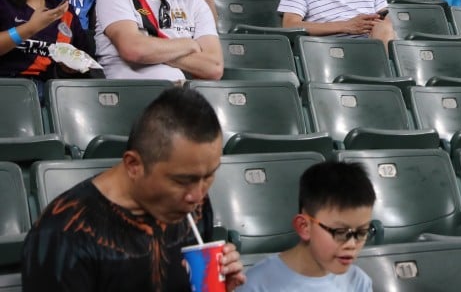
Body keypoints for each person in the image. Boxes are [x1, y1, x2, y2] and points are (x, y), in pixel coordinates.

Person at [21, 87, 246, 290]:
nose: (197, 196)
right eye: (181, 180)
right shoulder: (63, 234)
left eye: (209, 175)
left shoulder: (195, 205)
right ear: (134, 165)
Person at [240, 161, 375, 291]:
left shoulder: (359, 282)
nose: (352, 244)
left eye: (362, 232)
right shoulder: (257, 284)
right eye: (340, 232)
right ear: (304, 226)